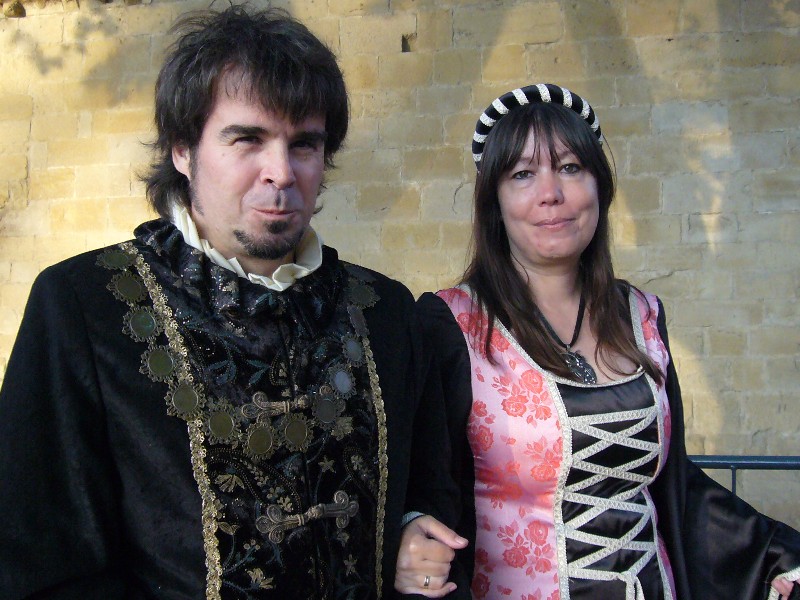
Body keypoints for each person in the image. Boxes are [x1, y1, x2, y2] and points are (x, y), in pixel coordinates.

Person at [0, 6, 471, 598]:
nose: (281, 172)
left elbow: (431, 488)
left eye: (304, 144)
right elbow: (40, 558)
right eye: (247, 139)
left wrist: (412, 531)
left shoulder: (385, 313)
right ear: (182, 149)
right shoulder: (83, 308)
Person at [399, 83, 800, 599]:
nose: (551, 193)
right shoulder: (452, 325)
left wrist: (778, 560)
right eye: (522, 174)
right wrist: (406, 540)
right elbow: (420, 484)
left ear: (600, 187)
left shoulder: (643, 317)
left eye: (570, 168)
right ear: (494, 202)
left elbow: (674, 488)